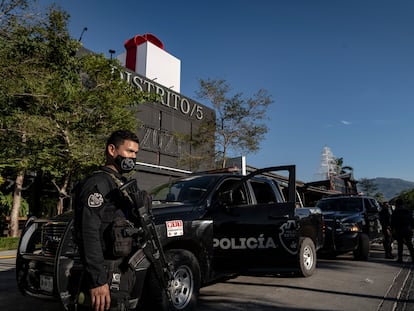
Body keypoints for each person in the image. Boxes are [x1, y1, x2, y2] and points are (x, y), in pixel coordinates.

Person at [73, 130, 140, 311]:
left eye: (135, 153)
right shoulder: (98, 184)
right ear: (112, 150)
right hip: (104, 270)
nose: (133, 157)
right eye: (129, 152)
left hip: (120, 268)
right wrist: (97, 280)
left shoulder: (121, 184)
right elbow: (87, 232)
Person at [391, 198, 414, 264]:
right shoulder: (408, 210)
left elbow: (393, 221)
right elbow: (412, 220)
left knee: (400, 244)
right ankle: (413, 258)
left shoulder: (396, 211)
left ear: (397, 204)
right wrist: (412, 228)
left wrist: (392, 229)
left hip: (399, 229)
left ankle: (400, 259)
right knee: (410, 244)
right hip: (408, 228)